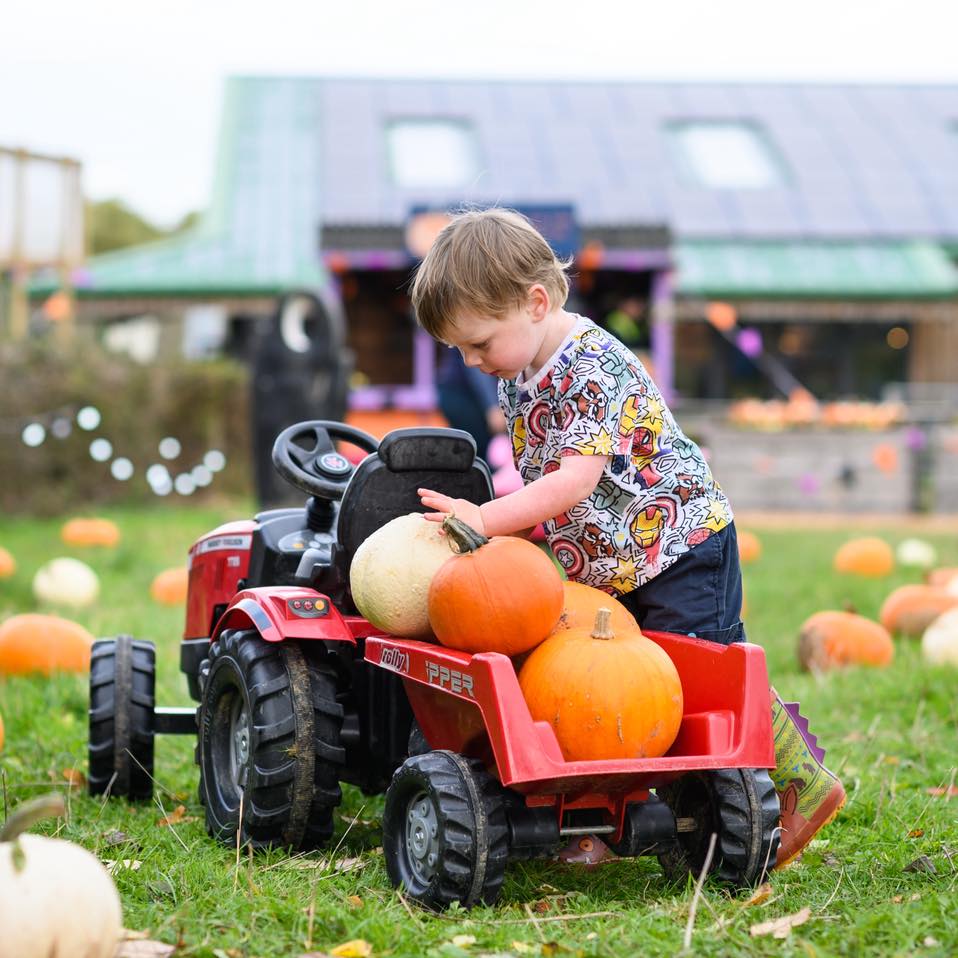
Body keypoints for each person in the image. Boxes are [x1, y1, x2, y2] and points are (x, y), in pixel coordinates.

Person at [409, 208, 845, 869]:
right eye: (459, 350)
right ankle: (597, 819)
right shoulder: (518, 370)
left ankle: (796, 782)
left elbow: (572, 482)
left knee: (701, 679)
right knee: (595, 683)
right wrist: (502, 549)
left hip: (676, 545)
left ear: (533, 302)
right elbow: (539, 477)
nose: (472, 361)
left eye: (478, 343)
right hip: (606, 561)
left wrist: (485, 518)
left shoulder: (590, 365)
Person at [435, 346, 506, 462]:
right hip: (462, 394)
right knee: (480, 454)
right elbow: (476, 370)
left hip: (456, 392)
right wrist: (492, 406)